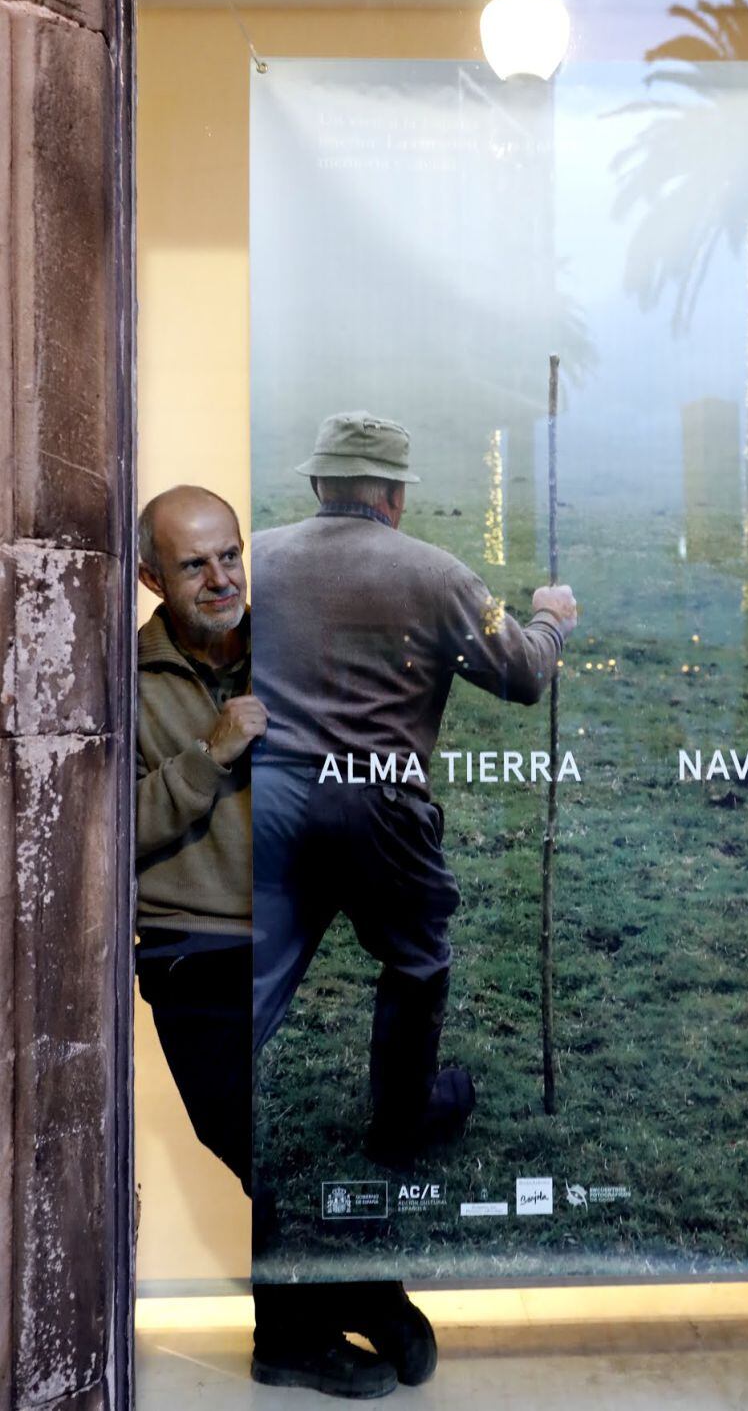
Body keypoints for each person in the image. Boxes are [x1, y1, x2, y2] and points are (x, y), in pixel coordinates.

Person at [135, 483, 435, 1400]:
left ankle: (316, 1314)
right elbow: (108, 830)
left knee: (321, 1130)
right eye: (194, 564)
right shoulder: (117, 676)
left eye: (230, 554)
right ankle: (339, 1305)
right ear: (151, 576)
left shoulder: (293, 651)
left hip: (304, 937)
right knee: (268, 1144)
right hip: (193, 950)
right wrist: (211, 754)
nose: (222, 577)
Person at [251, 411, 577, 1165]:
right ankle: (404, 1118)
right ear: (396, 495)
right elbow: (523, 671)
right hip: (378, 806)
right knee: (417, 955)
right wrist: (551, 619)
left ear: (316, 483)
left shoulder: (258, 560)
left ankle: (214, 1121)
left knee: (257, 973)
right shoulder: (440, 576)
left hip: (268, 800)